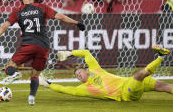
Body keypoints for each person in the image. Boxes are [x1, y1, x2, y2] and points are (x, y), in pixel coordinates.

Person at [0, 0, 85, 105]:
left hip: (29, 44)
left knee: (9, 66)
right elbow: (61, 17)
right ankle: (31, 97)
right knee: (35, 74)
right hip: (43, 46)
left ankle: (14, 73)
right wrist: (77, 23)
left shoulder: (18, 11)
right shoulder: (42, 8)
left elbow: (4, 26)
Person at [39, 46, 173, 101]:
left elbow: (86, 52)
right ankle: (160, 57)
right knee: (139, 75)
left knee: (163, 86)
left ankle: (160, 57)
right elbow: (65, 89)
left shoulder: (96, 69)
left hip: (128, 82)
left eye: (79, 72)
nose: (78, 75)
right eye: (76, 76)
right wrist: (48, 84)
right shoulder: (85, 89)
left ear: (86, 70)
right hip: (126, 93)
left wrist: (70, 53)